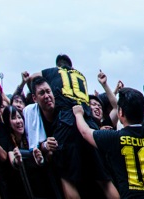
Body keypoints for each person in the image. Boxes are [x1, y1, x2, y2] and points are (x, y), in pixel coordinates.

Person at [27, 55, 119, 199]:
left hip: (66, 122)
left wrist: (32, 89)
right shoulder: (80, 76)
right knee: (104, 179)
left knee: (67, 178)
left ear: (58, 66)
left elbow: (32, 77)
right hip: (88, 123)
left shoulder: (54, 71)